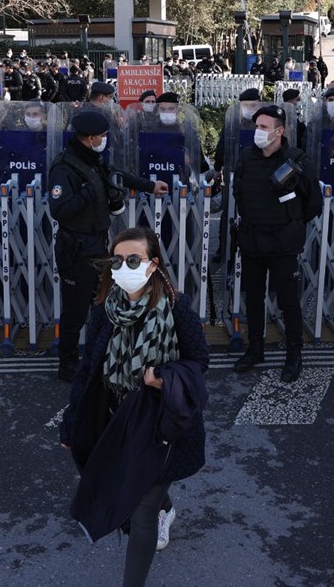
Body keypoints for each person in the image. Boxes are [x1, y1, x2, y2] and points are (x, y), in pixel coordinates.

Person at [59, 227, 209, 587]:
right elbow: (87, 370)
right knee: (141, 485)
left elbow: (199, 361)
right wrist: (71, 421)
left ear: (153, 264)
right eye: (116, 261)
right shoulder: (104, 310)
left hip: (162, 423)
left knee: (141, 511)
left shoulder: (176, 308)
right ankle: (166, 507)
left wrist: (163, 377)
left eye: (133, 260)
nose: (123, 267)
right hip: (118, 418)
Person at [48, 111, 167, 382]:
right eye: (102, 136)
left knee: (103, 305)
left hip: (98, 245)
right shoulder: (64, 168)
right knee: (75, 311)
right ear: (90, 138)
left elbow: (116, 175)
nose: (105, 140)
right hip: (76, 250)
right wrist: (90, 191)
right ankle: (68, 365)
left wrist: (150, 186)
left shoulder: (93, 159)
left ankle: (99, 356)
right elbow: (59, 210)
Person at [230, 104, 319, 382]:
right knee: (253, 299)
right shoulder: (247, 158)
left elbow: (313, 203)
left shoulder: (297, 160)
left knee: (288, 301)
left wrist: (289, 222)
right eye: (257, 126)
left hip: (283, 243)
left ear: (279, 131)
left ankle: (294, 354)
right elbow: (238, 193)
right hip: (253, 240)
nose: (258, 131)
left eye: (264, 127)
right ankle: (255, 348)